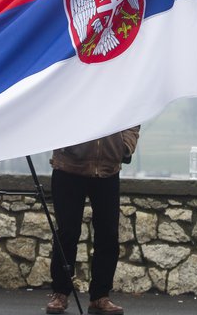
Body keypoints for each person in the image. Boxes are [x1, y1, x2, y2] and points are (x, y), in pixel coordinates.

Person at [45, 127, 139, 315]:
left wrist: (125, 146)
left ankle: (100, 296)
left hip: (108, 170)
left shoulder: (118, 95)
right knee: (67, 232)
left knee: (108, 234)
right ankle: (60, 293)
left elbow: (133, 116)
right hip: (68, 168)